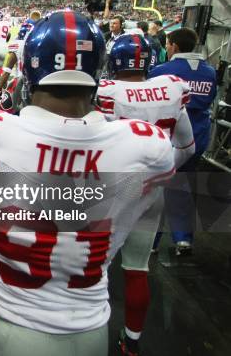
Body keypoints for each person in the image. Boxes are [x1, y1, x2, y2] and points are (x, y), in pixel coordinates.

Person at [0, 11, 175, 356]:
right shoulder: (146, 147)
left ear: (29, 70)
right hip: (91, 330)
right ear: (98, 72)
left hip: (10, 326)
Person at [96, 34, 195, 356]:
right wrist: (162, 171)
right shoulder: (171, 87)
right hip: (152, 190)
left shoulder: (108, 92)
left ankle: (88, 334)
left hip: (113, 189)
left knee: (93, 268)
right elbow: (186, 146)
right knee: (138, 267)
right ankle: (132, 341)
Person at [149, 28, 217, 255]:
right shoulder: (210, 71)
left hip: (170, 134)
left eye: (168, 45)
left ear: (174, 46)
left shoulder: (162, 70)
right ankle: (183, 238)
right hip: (199, 134)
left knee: (157, 188)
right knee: (184, 185)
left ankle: (152, 241)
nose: (167, 48)